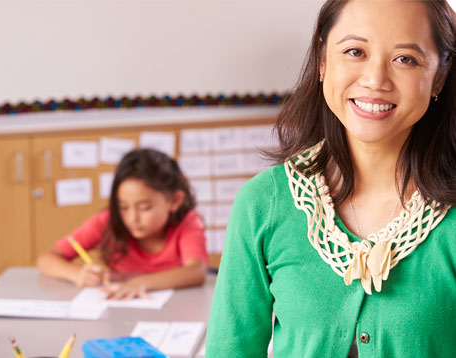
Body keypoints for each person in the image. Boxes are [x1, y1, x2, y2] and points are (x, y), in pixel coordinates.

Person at [206, 0, 456, 357]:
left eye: (406, 59)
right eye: (355, 51)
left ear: (440, 76)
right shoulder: (262, 203)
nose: (375, 80)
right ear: (323, 60)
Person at [37, 148, 208, 299]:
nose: (132, 218)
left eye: (145, 207)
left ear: (175, 201)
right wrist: (77, 274)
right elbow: (46, 259)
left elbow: (196, 271)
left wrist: (141, 282)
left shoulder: (187, 222)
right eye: (123, 207)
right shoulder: (107, 221)